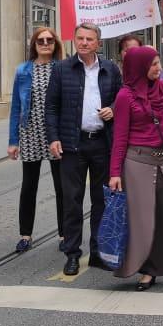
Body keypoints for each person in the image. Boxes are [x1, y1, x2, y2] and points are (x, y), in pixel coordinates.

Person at [108, 45, 163, 291]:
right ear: (139, 67)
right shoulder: (125, 96)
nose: (159, 68)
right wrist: (115, 173)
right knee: (145, 220)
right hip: (138, 163)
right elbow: (120, 137)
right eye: (154, 64)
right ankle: (148, 271)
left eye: (159, 62)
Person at [45, 22, 122, 275]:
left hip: (101, 142)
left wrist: (113, 108)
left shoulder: (110, 69)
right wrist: (53, 137)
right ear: (74, 40)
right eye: (80, 38)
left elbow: (123, 101)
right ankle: (72, 253)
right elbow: (51, 107)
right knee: (72, 200)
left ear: (98, 43)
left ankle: (98, 251)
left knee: (101, 200)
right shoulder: (62, 69)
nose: (84, 42)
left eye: (89, 39)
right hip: (72, 144)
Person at [8, 27, 65, 253]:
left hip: (56, 134)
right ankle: (25, 235)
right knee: (28, 186)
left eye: (49, 40)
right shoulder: (23, 70)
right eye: (40, 40)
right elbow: (16, 107)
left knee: (62, 187)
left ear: (55, 43)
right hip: (30, 133)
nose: (45, 43)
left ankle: (64, 235)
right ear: (34, 44)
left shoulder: (63, 68)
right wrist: (13, 141)